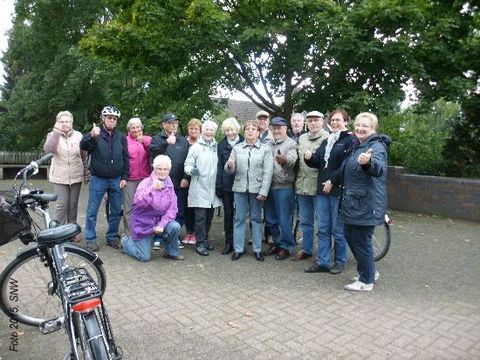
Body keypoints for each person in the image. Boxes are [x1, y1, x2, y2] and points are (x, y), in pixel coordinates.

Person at [339, 112, 391, 291]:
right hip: (354, 202)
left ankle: (366, 281)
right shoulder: (359, 145)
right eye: (358, 125)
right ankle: (370, 271)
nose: (360, 128)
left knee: (361, 241)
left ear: (373, 129)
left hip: (366, 203)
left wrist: (368, 163)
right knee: (350, 236)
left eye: (365, 126)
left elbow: (379, 169)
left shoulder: (376, 147)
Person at [303, 109, 356, 274]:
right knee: (324, 228)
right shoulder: (328, 140)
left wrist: (332, 180)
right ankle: (323, 262)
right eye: (332, 120)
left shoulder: (350, 140)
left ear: (346, 122)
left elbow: (346, 165)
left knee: (338, 230)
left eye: (338, 120)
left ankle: (340, 261)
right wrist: (309, 158)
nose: (334, 122)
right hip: (322, 191)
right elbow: (318, 161)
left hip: (338, 191)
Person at [80, 106, 128, 251]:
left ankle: (112, 237)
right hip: (98, 179)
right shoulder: (96, 134)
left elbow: (126, 158)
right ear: (103, 118)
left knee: (115, 211)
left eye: (114, 119)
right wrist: (91, 135)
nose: (112, 120)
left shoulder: (121, 137)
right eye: (109, 118)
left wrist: (125, 176)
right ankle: (90, 238)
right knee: (92, 210)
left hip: (116, 179)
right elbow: (84, 146)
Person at [226, 120, 273, 261]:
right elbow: (229, 170)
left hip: (257, 190)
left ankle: (258, 249)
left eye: (254, 129)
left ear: (258, 132)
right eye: (248, 129)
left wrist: (264, 191)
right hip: (239, 188)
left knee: (256, 219)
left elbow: (268, 172)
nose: (250, 131)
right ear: (244, 132)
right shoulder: (237, 148)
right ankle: (238, 249)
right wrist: (229, 166)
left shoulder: (265, 149)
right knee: (239, 219)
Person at [122, 155, 183, 262]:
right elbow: (139, 202)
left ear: (169, 170)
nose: (162, 172)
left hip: (159, 222)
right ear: (154, 168)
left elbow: (172, 209)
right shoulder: (146, 183)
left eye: (165, 169)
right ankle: (126, 242)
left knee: (175, 226)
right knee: (144, 257)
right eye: (159, 168)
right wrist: (152, 189)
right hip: (143, 223)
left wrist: (161, 225)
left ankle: (171, 252)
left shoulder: (169, 184)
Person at [43, 111, 89, 242]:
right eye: (61, 121)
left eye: (67, 121)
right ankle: (57, 231)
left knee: (73, 205)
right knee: (62, 205)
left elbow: (83, 155)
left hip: (76, 175)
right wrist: (57, 133)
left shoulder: (79, 136)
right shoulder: (52, 135)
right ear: (57, 123)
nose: (65, 124)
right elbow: (49, 150)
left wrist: (86, 171)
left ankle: (72, 231)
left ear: (72, 123)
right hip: (59, 176)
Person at [291, 111, 329, 261]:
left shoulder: (327, 137)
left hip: (319, 187)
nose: (313, 123)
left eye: (316, 120)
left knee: (322, 223)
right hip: (302, 185)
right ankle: (306, 249)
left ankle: (323, 253)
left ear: (322, 121)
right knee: (305, 221)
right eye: (310, 120)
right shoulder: (302, 138)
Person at [184, 120, 222, 256]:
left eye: (211, 130)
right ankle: (199, 243)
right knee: (200, 217)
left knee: (209, 217)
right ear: (203, 131)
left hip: (213, 189)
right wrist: (193, 171)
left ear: (214, 132)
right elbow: (187, 165)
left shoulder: (217, 147)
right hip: (200, 187)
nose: (209, 132)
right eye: (206, 129)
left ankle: (205, 239)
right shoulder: (195, 147)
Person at [149, 113, 190, 237]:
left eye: (176, 123)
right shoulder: (157, 138)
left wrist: (186, 177)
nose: (174, 125)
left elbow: (189, 160)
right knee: (160, 211)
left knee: (179, 210)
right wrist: (166, 142)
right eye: (171, 122)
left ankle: (173, 237)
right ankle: (159, 236)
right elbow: (152, 150)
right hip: (162, 183)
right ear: (164, 124)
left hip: (179, 182)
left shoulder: (183, 140)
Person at [264, 117, 298, 260]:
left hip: (284, 186)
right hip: (268, 186)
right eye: (274, 128)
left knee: (284, 219)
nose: (277, 130)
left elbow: (292, 159)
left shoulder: (291, 143)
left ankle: (287, 246)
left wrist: (285, 160)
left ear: (285, 129)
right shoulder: (267, 143)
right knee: (271, 219)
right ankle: (277, 243)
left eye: (280, 128)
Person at [216, 117, 243, 255]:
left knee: (241, 215)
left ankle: (240, 243)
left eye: (231, 129)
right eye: (227, 130)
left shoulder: (244, 141)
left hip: (242, 184)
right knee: (228, 214)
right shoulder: (221, 145)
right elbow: (219, 166)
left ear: (236, 129)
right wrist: (219, 185)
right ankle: (229, 242)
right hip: (227, 185)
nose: (230, 133)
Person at [123, 118, 152, 237]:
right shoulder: (124, 141)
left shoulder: (148, 139)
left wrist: (143, 142)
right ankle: (130, 234)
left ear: (142, 128)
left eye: (138, 127)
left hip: (145, 179)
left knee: (145, 207)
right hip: (130, 179)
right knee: (129, 208)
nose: (136, 129)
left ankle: (144, 233)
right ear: (129, 129)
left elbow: (153, 153)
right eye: (133, 127)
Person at [182, 118, 202, 245]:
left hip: (197, 180)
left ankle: (196, 232)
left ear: (200, 131)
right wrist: (184, 178)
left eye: (196, 129)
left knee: (196, 207)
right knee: (186, 207)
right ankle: (189, 231)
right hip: (183, 179)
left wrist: (188, 177)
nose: (193, 131)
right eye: (191, 128)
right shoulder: (183, 142)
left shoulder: (202, 143)